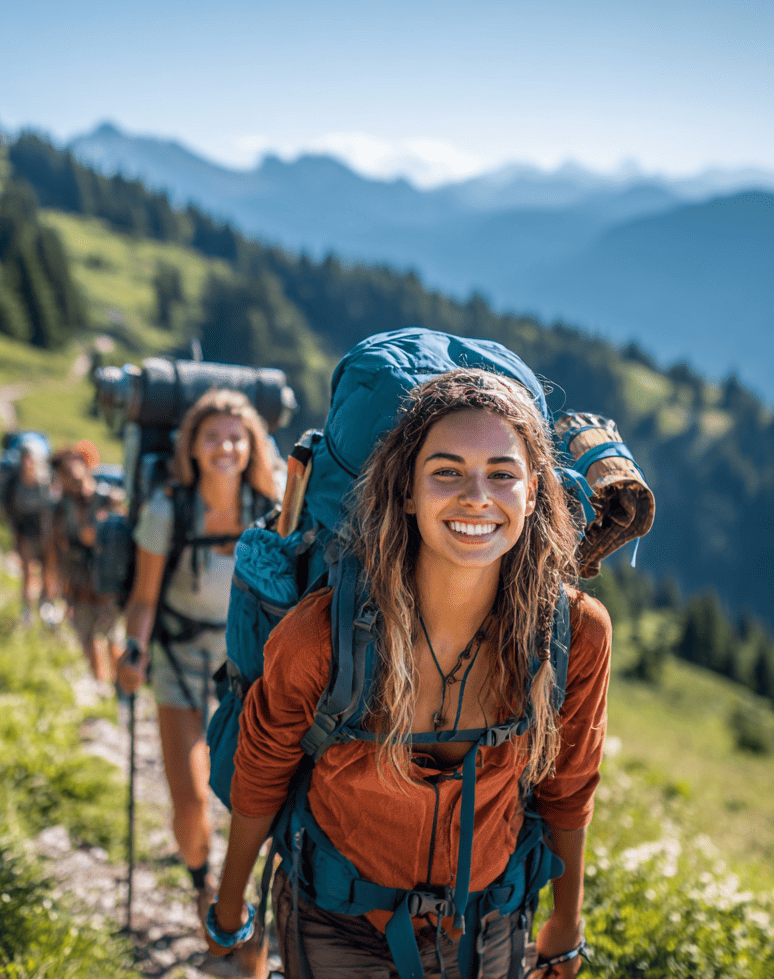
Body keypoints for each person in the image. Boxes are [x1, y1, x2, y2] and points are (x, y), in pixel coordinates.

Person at [208, 369, 612, 979]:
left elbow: (569, 784)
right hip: (336, 918)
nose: (477, 495)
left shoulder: (572, 635)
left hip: (489, 921)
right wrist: (232, 900)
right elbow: (262, 770)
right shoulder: (322, 633)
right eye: (446, 471)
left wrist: (567, 918)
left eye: (502, 474)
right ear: (406, 492)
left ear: (533, 494)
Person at [117, 389, 280, 941]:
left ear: (254, 444)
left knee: (251, 797)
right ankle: (201, 885)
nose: (225, 446)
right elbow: (144, 596)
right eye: (212, 436)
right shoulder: (169, 510)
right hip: (179, 658)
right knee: (191, 803)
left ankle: (242, 900)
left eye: (236, 436)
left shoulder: (273, 507)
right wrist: (133, 651)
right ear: (192, 446)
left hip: (247, 662)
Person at [52, 441, 123, 684]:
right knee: (85, 635)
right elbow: (58, 546)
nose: (71, 481)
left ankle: (121, 685)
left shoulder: (110, 499)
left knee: (112, 635)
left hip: (108, 580)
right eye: (65, 476)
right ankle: (101, 684)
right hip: (79, 581)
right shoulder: (61, 507)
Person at [4, 437, 56, 624]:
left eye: (31, 458)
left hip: (46, 535)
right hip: (25, 533)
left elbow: (53, 509)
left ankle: (46, 606)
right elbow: (9, 509)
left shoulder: (46, 482)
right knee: (27, 571)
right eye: (25, 458)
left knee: (47, 571)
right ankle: (27, 609)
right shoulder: (14, 482)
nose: (28, 462)